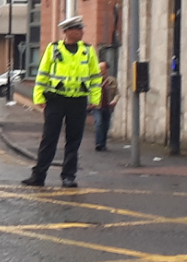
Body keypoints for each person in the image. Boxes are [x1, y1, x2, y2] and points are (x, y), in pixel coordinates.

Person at [23, 16, 101, 189]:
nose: (82, 32)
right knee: (49, 139)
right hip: (56, 100)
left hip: (78, 101)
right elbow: (42, 74)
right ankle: (38, 176)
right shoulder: (54, 48)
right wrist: (39, 98)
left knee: (73, 141)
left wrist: (95, 99)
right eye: (78, 29)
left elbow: (95, 77)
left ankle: (68, 177)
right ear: (68, 32)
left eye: (82, 29)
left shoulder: (88, 51)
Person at [94, 60, 119, 152]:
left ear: (106, 69)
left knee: (105, 126)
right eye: (99, 68)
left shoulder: (112, 80)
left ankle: (103, 144)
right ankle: (98, 143)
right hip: (97, 106)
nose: (100, 70)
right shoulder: (94, 80)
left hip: (107, 106)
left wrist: (114, 101)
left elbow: (117, 93)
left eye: (102, 68)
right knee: (98, 123)